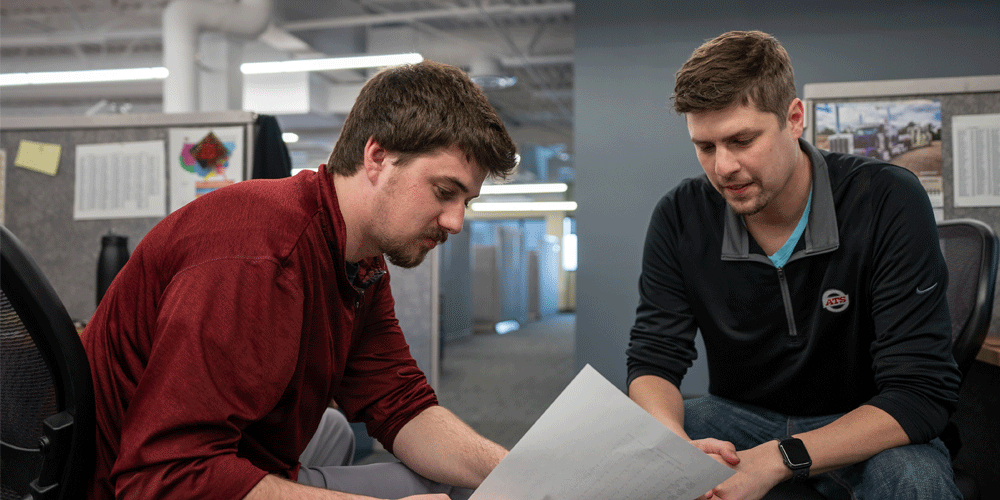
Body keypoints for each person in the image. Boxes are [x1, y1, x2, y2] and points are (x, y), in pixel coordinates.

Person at [82, 60, 518, 500]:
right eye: (445, 192)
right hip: (125, 485)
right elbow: (166, 477)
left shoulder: (360, 261)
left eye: (467, 201)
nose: (456, 221)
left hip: (231, 460)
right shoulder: (261, 256)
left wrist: (519, 473)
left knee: (411, 460)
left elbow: (398, 402)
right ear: (378, 157)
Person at [625, 31, 961, 500]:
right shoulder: (680, 215)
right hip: (739, 416)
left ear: (794, 119)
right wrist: (674, 446)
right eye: (705, 147)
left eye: (742, 140)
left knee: (915, 481)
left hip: (861, 419)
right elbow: (652, 360)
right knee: (646, 459)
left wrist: (782, 457)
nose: (723, 167)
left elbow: (922, 394)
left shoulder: (887, 199)